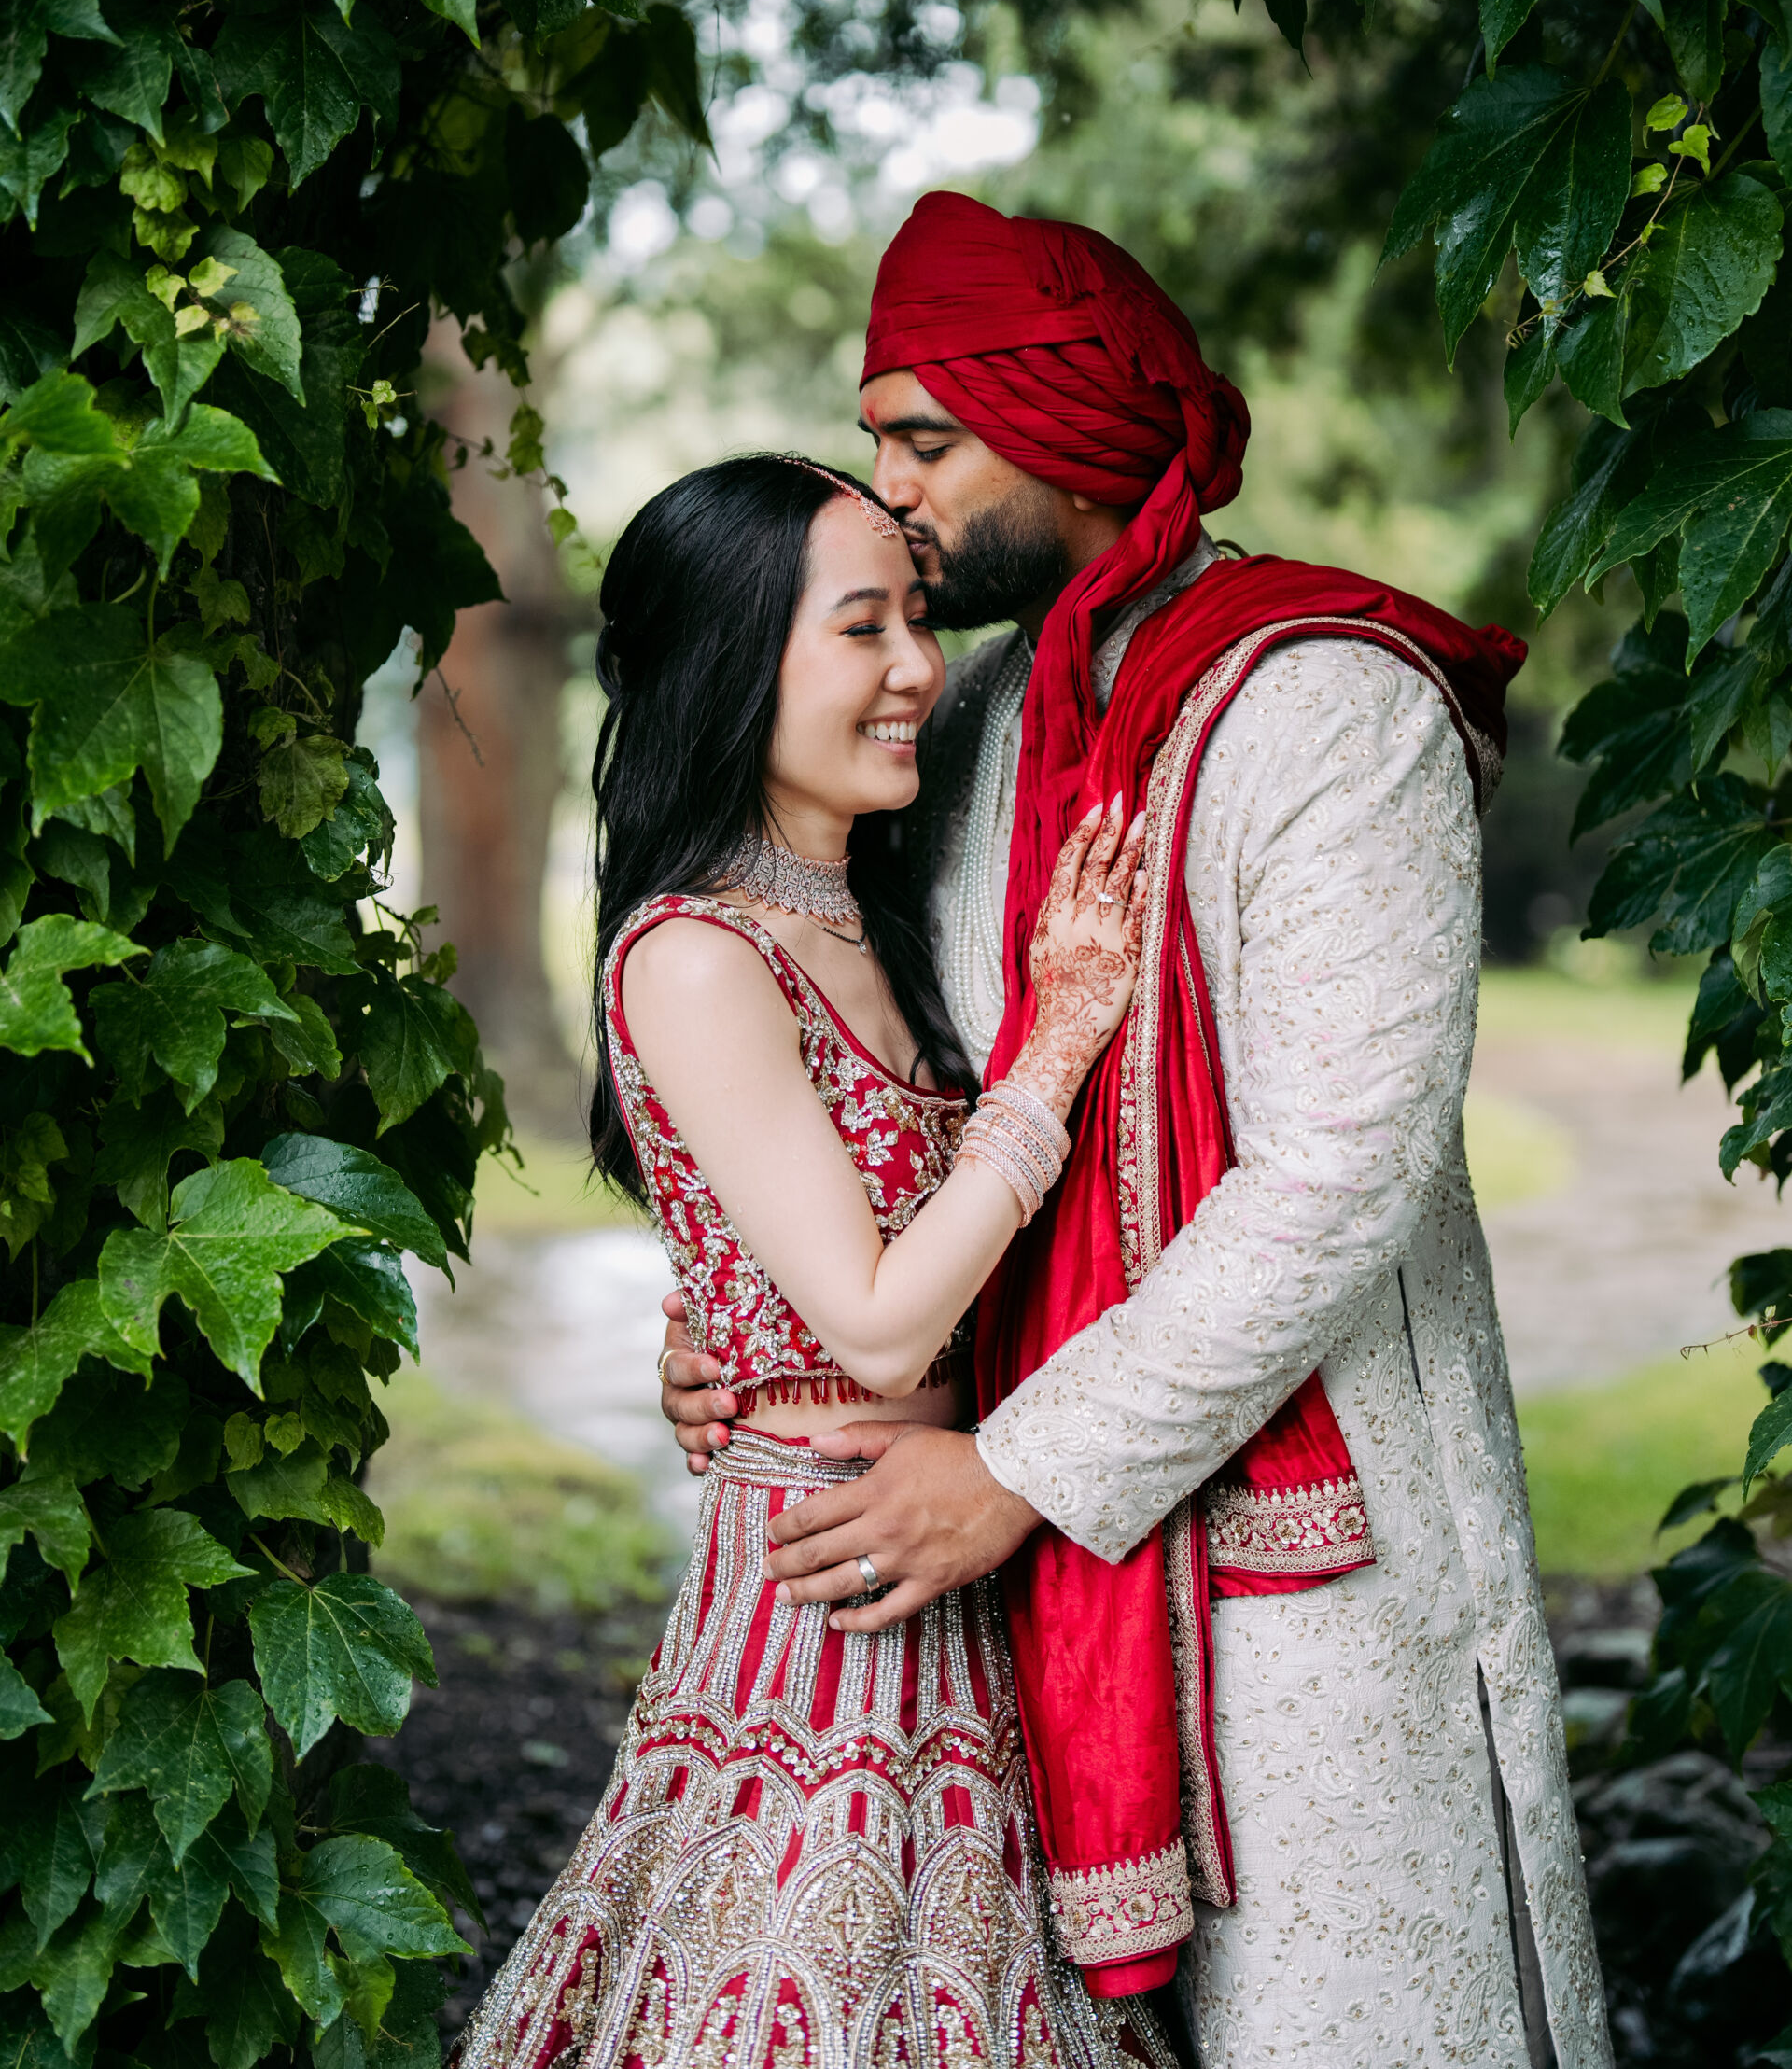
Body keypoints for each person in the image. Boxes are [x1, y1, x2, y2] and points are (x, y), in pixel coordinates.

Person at [659, 195, 1614, 2069]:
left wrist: (1018, 1472)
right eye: (874, 442)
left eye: (925, 443)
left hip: (1316, 1570)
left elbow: (1342, 1171)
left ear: (1070, 429)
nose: (889, 496)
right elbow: (892, 1100)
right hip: (1002, 1578)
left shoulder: (1331, 709)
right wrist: (751, 1331)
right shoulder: (968, 724)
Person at [456, 452, 1177, 2069]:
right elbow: (873, 1323)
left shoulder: (873, 908)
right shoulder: (696, 954)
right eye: (864, 628)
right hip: (820, 1598)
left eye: (919, 618)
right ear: (736, 659)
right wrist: (1060, 1044)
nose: (919, 666)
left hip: (953, 1555)